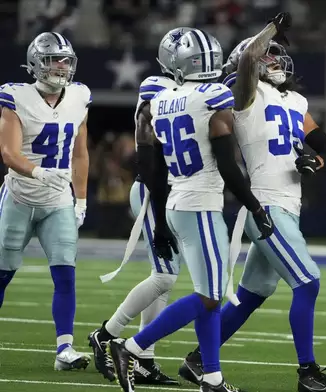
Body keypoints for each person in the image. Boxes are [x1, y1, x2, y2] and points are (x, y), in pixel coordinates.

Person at [177, 13, 326, 392]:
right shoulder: (247, 95)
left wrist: (315, 162)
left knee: (253, 294)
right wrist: (268, 29)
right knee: (308, 282)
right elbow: (248, 60)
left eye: (275, 54)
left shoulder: (296, 100)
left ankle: (198, 360)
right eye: (268, 55)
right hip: (265, 204)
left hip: (288, 204)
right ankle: (307, 373)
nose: (273, 59)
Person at [107, 29, 274, 392]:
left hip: (177, 202)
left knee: (208, 291)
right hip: (200, 205)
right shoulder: (212, 96)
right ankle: (131, 347)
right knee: (210, 296)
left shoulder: (162, 97)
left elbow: (153, 162)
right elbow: (228, 166)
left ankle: (212, 377)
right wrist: (255, 205)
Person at [87, 27, 195, 386]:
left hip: (174, 191)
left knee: (163, 280)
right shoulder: (157, 87)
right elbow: (149, 152)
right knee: (164, 275)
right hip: (153, 190)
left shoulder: (191, 90)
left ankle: (145, 359)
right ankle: (107, 334)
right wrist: (161, 218)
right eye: (194, 59)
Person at [0, 32, 90, 370]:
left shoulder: (79, 96)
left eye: (66, 60)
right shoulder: (15, 96)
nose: (63, 67)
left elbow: (80, 154)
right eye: (55, 60)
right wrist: (37, 172)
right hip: (20, 197)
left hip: (57, 199)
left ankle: (64, 350)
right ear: (37, 63)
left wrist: (80, 199)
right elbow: (8, 152)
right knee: (2, 273)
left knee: (65, 274)